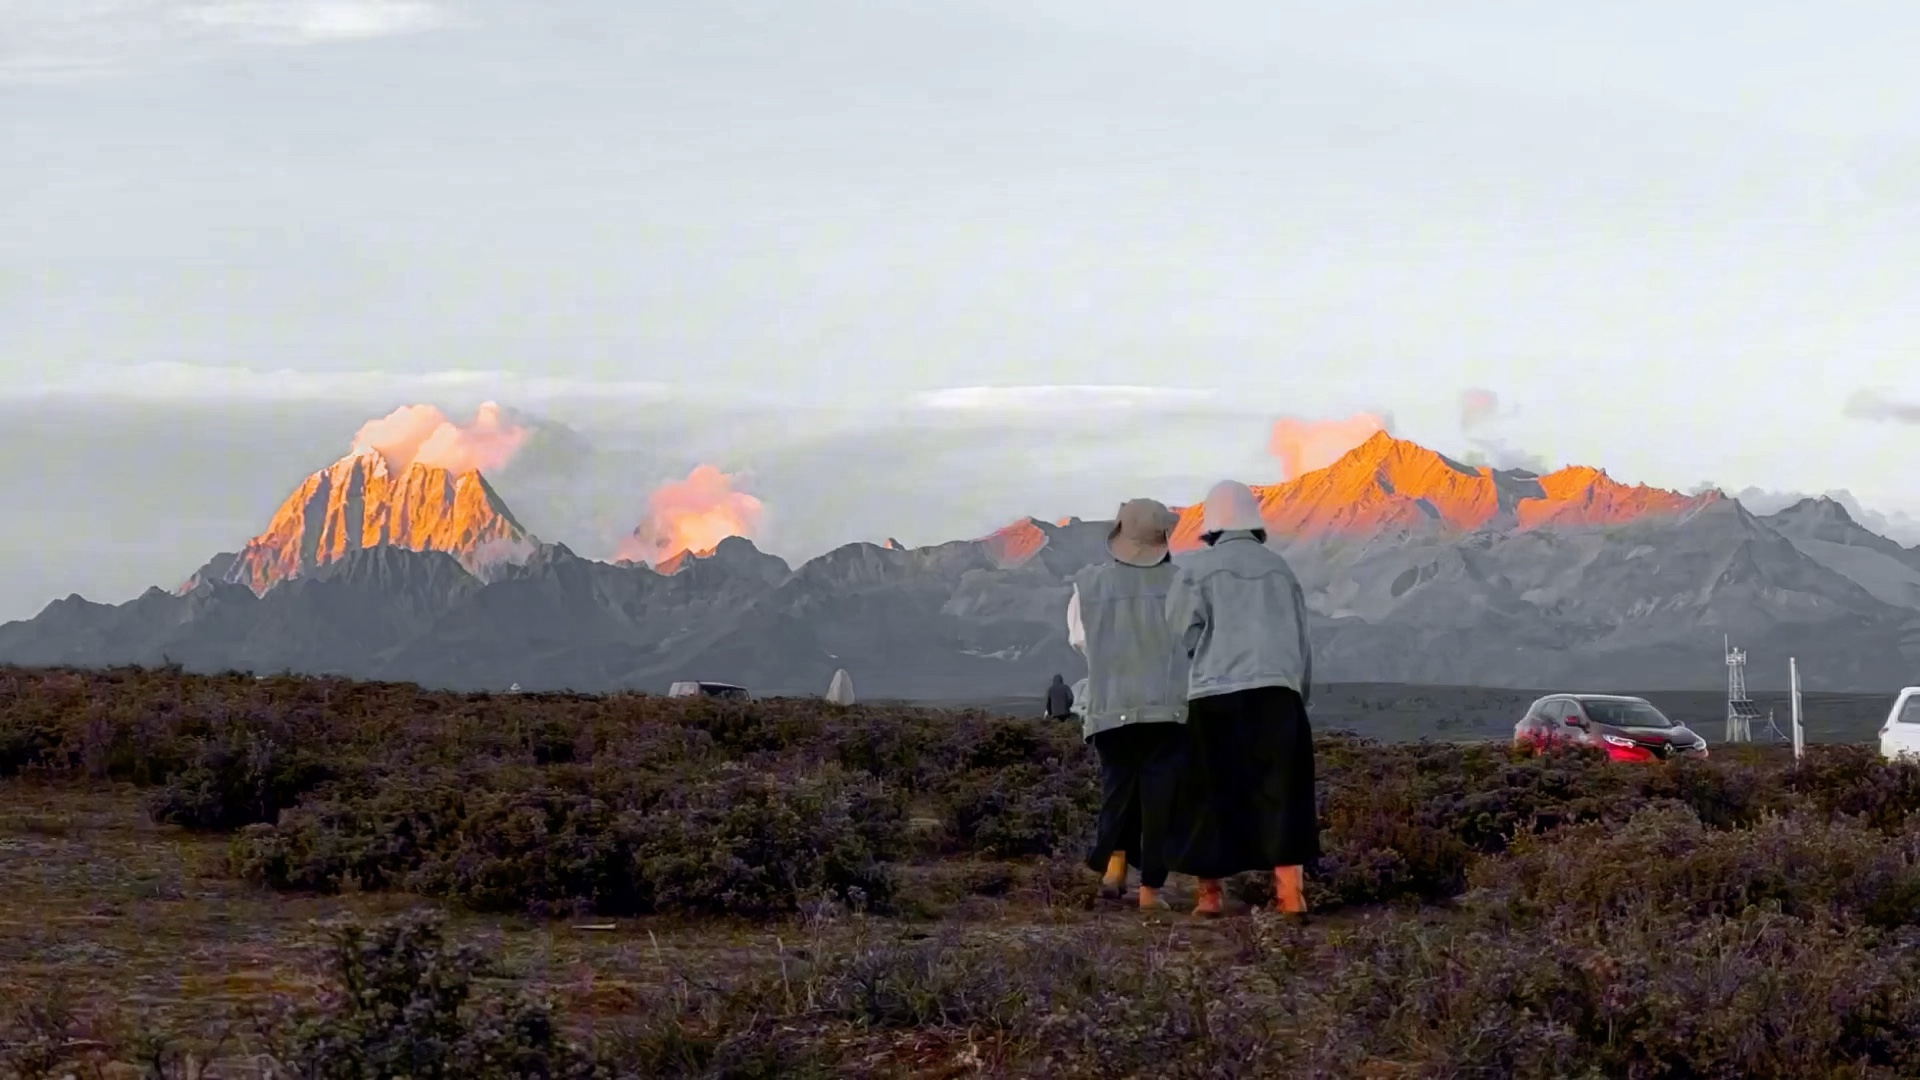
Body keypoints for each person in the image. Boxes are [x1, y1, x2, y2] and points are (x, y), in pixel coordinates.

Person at [1165, 480, 1319, 920]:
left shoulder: (1196, 570)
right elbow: (1301, 639)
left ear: (1211, 527)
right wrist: (1297, 694)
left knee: (1208, 794)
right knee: (1282, 793)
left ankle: (1209, 898)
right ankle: (1291, 896)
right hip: (1277, 694)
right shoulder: (1281, 570)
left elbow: (1180, 629)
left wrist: (1203, 650)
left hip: (1214, 694)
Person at [1066, 498, 1190, 912]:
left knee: (1116, 790)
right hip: (1167, 708)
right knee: (1159, 800)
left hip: (1110, 705)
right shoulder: (1183, 583)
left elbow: (1080, 640)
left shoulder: (1088, 584)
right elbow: (1196, 639)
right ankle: (1150, 891)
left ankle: (1109, 868)